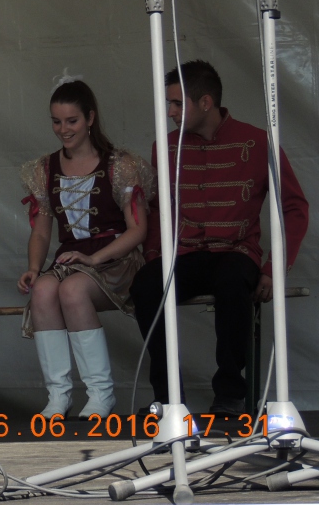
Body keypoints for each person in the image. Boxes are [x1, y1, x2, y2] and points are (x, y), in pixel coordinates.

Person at [129, 60, 308, 414]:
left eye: (177, 103)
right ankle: (168, 397)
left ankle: (229, 391)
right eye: (169, 103)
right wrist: (153, 257)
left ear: (206, 102)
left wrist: (273, 267)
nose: (170, 112)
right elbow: (157, 208)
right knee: (146, 285)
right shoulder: (164, 147)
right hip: (185, 255)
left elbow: (294, 207)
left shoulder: (258, 142)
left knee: (231, 278)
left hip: (236, 252)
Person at [18, 78, 152, 419]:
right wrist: (33, 267)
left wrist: (93, 258)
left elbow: (138, 230)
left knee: (73, 290)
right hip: (72, 261)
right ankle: (58, 395)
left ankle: (100, 394)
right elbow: (41, 233)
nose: (63, 129)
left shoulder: (120, 165)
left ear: (90, 118)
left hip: (116, 258)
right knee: (43, 290)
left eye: (72, 120)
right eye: (56, 121)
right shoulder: (44, 169)